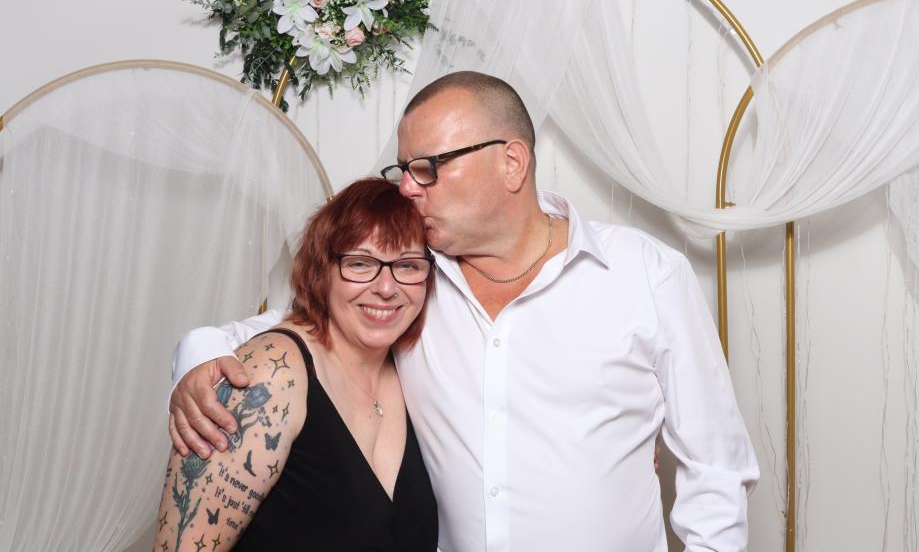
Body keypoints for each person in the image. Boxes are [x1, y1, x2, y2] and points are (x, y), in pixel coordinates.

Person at [170, 71, 759, 551]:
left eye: (428, 167)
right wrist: (200, 357)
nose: (408, 188)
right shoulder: (409, 278)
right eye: (404, 170)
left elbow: (716, 468)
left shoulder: (646, 274)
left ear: (512, 163)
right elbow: (297, 330)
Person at [155, 178, 439, 551]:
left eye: (407, 265)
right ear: (322, 270)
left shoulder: (412, 369)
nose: (386, 288)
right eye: (359, 263)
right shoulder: (271, 377)